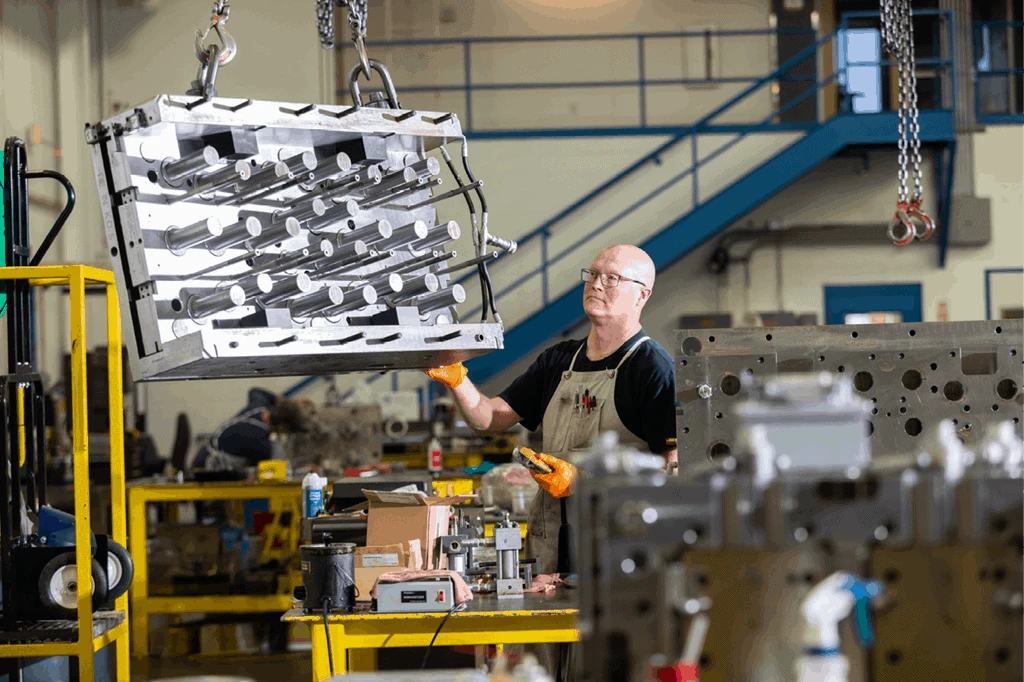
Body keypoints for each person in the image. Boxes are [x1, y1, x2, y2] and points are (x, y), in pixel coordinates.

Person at [426, 244, 678, 576]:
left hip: (617, 553)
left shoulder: (652, 368)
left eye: (613, 278)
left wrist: (583, 483)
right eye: (593, 274)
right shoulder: (558, 361)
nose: (596, 284)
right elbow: (489, 419)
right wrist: (456, 378)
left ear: (641, 295)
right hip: (550, 551)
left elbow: (672, 474)